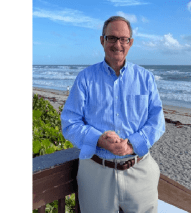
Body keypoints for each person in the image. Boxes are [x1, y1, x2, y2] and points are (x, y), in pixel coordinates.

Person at [61, 16, 165, 213]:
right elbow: (69, 122)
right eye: (111, 38)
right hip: (95, 172)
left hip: (139, 170)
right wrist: (99, 139)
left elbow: (157, 121)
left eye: (123, 39)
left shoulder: (146, 78)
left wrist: (132, 144)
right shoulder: (85, 78)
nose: (117, 44)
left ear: (130, 43)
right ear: (102, 40)